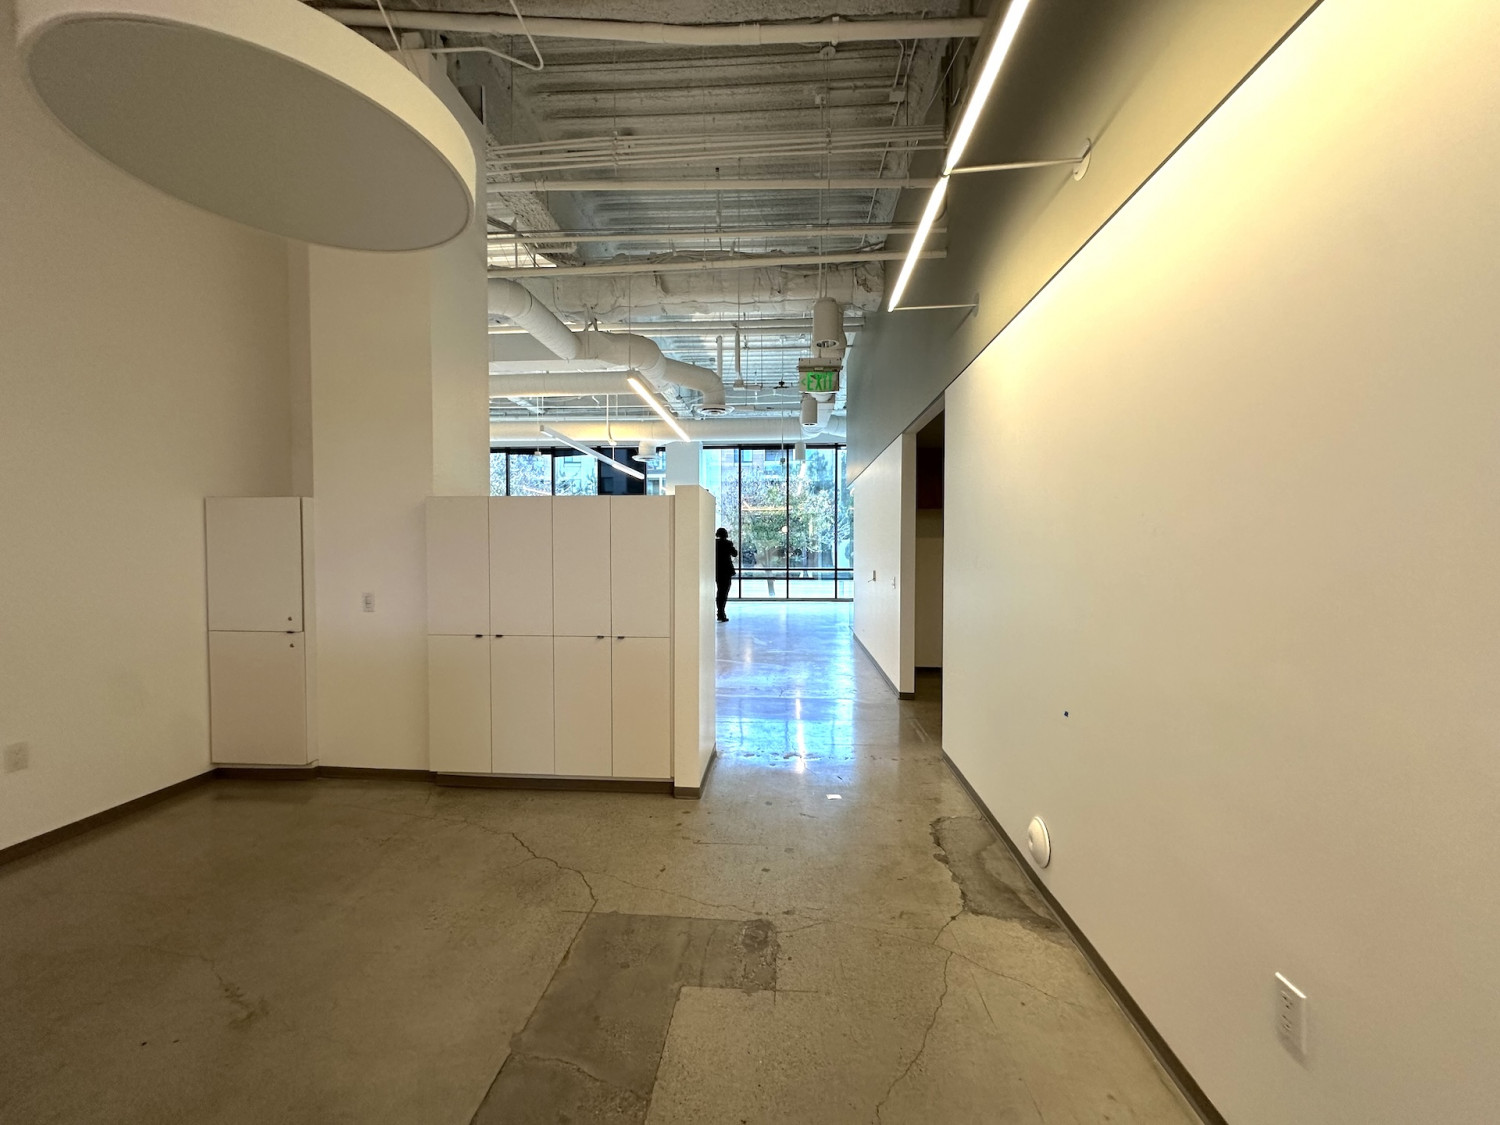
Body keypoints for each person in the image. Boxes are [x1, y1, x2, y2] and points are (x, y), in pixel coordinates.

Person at [714, 527, 738, 622]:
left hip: (716, 570)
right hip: (726, 570)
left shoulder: (714, 543)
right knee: (724, 592)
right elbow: (735, 554)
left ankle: (720, 612)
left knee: (720, 591)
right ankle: (721, 612)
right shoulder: (728, 543)